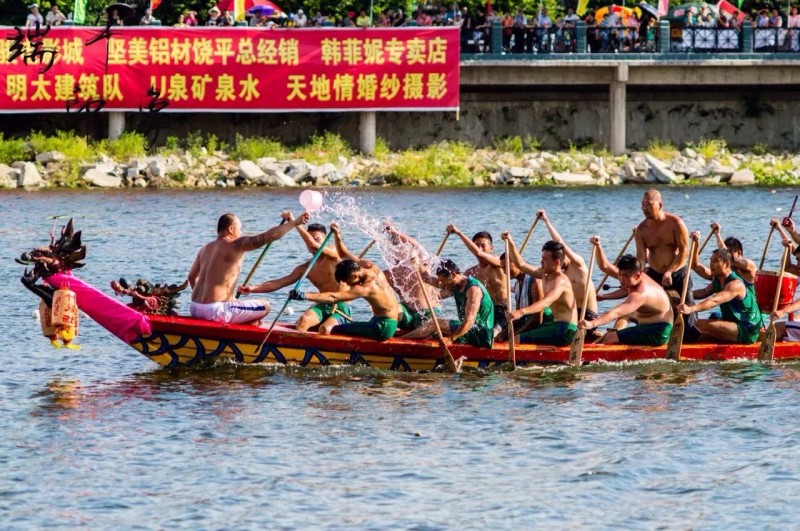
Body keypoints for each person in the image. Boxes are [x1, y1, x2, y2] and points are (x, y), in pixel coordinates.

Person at [188, 211, 308, 325]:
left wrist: (205, 301)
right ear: (231, 229)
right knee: (266, 306)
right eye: (240, 229)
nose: (241, 232)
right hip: (215, 311)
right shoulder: (235, 245)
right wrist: (294, 223)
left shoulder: (204, 249)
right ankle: (247, 321)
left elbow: (191, 277)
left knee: (235, 301)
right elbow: (268, 236)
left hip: (194, 307)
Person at [289, 223, 401, 341]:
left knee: (331, 330)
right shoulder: (370, 267)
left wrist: (304, 295)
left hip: (382, 328)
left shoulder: (364, 288)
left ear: (354, 275)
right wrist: (337, 234)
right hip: (385, 321)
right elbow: (343, 254)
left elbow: (333, 297)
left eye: (348, 282)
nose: (348, 285)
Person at [238, 223, 349, 332]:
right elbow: (279, 283)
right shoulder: (305, 268)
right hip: (322, 305)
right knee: (303, 321)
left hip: (341, 306)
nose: (311, 242)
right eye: (308, 239)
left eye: (317, 239)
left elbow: (314, 246)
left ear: (325, 240)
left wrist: (295, 222)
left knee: (324, 329)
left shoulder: (334, 253)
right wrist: (252, 289)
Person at [581, 238, 674, 345]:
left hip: (658, 331)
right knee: (625, 316)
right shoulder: (633, 276)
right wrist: (598, 246)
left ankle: (613, 341)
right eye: (620, 274)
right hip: (646, 319)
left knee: (611, 338)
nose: (621, 279)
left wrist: (591, 324)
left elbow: (615, 312)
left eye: (625, 276)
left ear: (638, 275)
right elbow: (605, 266)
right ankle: (618, 333)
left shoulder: (640, 294)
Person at [636, 189, 697, 340]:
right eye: (642, 205)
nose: (645, 208)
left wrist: (670, 271)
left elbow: (684, 252)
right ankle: (654, 337)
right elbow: (641, 257)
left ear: (660, 204)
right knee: (651, 310)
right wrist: (637, 274)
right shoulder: (641, 229)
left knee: (686, 311)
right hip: (655, 274)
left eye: (649, 205)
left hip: (678, 273)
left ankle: (691, 340)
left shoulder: (676, 223)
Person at [403, 259, 495, 348]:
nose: (442, 285)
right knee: (435, 331)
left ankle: (401, 341)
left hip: (480, 335)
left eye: (443, 281)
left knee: (435, 324)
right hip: (468, 330)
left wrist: (450, 339)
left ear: (453, 275)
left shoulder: (473, 289)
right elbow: (428, 279)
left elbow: (469, 321)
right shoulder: (455, 283)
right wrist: (418, 265)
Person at [504, 236, 578, 346]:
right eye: (541, 258)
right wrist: (510, 241)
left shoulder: (560, 281)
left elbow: (546, 301)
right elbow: (521, 264)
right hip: (554, 325)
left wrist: (521, 312)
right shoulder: (544, 274)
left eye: (545, 259)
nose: (541, 261)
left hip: (566, 329)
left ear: (556, 262)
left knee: (517, 339)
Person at [677, 248, 762, 344]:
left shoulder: (735, 284)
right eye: (711, 260)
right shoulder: (718, 280)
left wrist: (691, 309)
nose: (711, 264)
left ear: (727, 264)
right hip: (734, 324)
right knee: (707, 325)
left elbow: (714, 301)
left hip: (747, 328)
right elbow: (704, 292)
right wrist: (681, 296)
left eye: (716, 261)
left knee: (699, 324)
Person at [447, 225, 508, 337]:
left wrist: (459, 232)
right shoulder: (471, 272)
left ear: (491, 248)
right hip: (482, 313)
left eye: (483, 245)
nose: (479, 248)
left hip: (501, 313)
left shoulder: (499, 263)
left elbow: (479, 253)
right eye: (476, 245)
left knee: (492, 335)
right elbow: (452, 286)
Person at [537, 209, 598, 321]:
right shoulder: (560, 273)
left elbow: (560, 242)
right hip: (571, 314)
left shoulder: (578, 263)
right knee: (544, 313)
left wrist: (546, 221)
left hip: (587, 315)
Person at [382, 224, 441, 331]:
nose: (398, 252)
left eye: (401, 248)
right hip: (407, 314)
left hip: (428, 312)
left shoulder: (422, 262)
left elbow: (417, 246)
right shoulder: (390, 273)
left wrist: (394, 232)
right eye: (394, 250)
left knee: (431, 328)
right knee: (389, 310)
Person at [690, 221, 756, 285]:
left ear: (739, 253)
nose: (724, 256)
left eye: (729, 252)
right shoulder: (723, 271)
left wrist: (717, 235)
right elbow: (695, 266)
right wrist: (696, 244)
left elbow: (728, 257)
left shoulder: (749, 265)